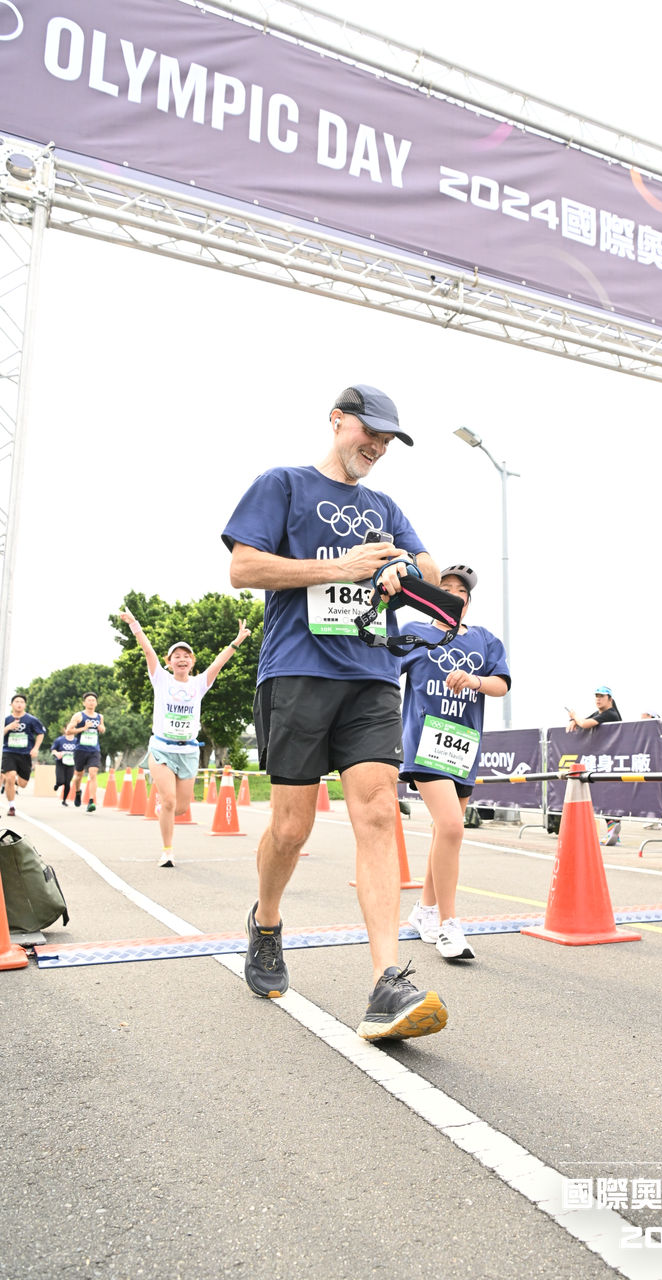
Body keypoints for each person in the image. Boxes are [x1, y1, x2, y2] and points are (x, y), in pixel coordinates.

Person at [222, 383, 448, 1043]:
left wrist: (402, 570)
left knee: (377, 813)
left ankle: (386, 981)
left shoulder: (385, 507)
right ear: (337, 421)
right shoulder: (284, 484)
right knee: (291, 828)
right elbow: (243, 568)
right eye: (369, 432)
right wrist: (339, 568)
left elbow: (429, 567)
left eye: (388, 440)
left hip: (371, 674)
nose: (377, 447)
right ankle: (266, 922)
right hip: (297, 671)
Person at [400, 565, 510, 961]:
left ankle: (424, 910)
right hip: (425, 742)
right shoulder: (415, 631)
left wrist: (474, 680)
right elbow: (381, 670)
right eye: (444, 587)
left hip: (463, 745)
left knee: (443, 833)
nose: (452, 593)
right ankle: (448, 924)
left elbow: (501, 684)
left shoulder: (484, 640)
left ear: (468, 600)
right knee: (450, 826)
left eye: (460, 590)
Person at [118, 607, 252, 866]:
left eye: (186, 656)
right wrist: (135, 624)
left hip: (188, 750)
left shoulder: (199, 684)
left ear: (192, 662)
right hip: (162, 748)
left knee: (180, 807)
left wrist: (237, 641)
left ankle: (163, 807)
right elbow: (148, 651)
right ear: (169, 662)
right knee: (169, 801)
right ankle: (167, 851)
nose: (181, 659)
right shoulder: (161, 679)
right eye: (176, 656)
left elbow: (218, 663)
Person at [567, 685, 623, 845]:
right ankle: (613, 833)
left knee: (611, 795)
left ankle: (614, 832)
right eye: (596, 696)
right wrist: (574, 720)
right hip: (603, 759)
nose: (598, 699)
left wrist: (574, 716)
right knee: (606, 795)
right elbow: (583, 721)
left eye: (602, 696)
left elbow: (584, 724)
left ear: (610, 699)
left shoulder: (610, 714)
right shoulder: (600, 713)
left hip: (613, 760)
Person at [2, 694, 45, 817]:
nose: (19, 704)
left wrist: (35, 748)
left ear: (25, 704)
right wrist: (8, 727)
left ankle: (13, 781)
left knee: (23, 784)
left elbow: (41, 733)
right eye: (16, 701)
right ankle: (11, 806)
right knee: (10, 776)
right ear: (11, 704)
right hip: (9, 752)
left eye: (21, 702)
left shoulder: (31, 720)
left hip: (25, 754)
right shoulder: (6, 719)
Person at [65, 693, 106, 811]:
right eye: (89, 700)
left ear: (96, 703)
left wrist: (101, 729)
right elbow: (68, 731)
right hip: (80, 750)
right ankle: (78, 792)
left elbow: (103, 728)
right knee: (78, 775)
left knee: (93, 773)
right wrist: (84, 728)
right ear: (84, 703)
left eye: (93, 700)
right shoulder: (79, 716)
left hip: (94, 750)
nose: (91, 702)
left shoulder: (100, 716)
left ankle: (91, 801)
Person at [50, 728, 78, 806]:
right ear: (65, 730)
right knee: (60, 781)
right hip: (60, 762)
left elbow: (80, 751)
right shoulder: (60, 740)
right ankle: (57, 784)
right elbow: (53, 749)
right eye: (69, 728)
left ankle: (64, 800)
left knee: (67, 783)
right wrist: (57, 754)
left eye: (73, 729)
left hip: (71, 763)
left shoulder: (77, 741)